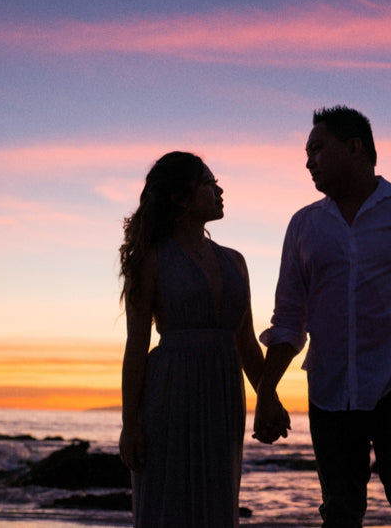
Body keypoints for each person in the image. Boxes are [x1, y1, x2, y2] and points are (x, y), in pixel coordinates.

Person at [254, 106, 391, 527]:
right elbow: (288, 318)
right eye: (307, 152)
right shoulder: (304, 225)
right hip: (328, 390)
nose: (308, 162)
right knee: (339, 514)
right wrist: (266, 390)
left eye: (317, 149)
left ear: (355, 148)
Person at [118, 151, 288, 528]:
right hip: (168, 396)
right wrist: (130, 423)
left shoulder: (236, 261)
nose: (219, 189)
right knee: (167, 507)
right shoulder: (150, 260)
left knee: (217, 506)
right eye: (209, 183)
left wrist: (268, 396)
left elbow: (246, 343)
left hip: (223, 398)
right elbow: (136, 346)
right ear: (180, 197)